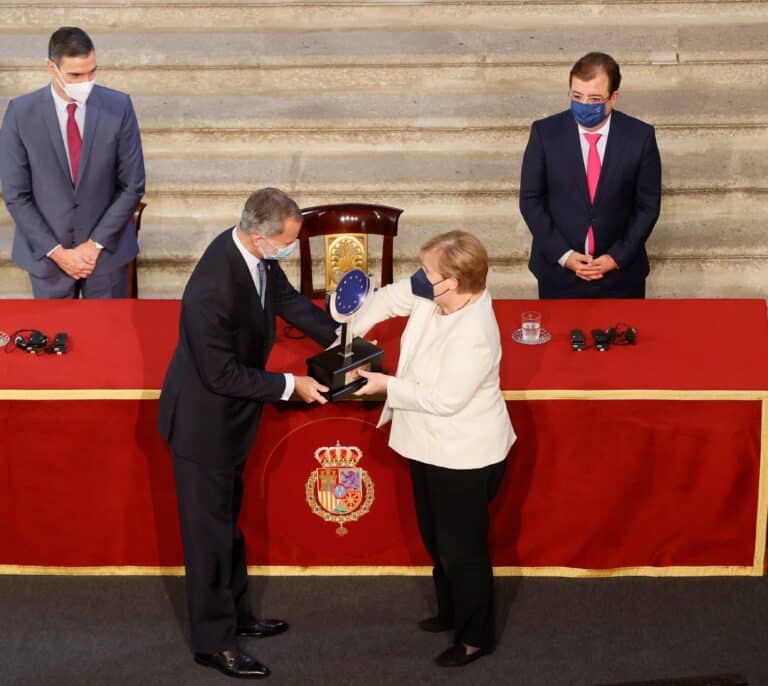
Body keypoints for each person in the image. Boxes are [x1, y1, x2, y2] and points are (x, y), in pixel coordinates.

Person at [158, 188, 337, 679]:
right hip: (202, 427)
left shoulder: (255, 257)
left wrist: (340, 338)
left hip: (230, 422)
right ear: (260, 237)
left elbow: (287, 302)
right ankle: (214, 643)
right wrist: (290, 384)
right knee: (208, 539)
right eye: (286, 243)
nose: (287, 251)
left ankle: (237, 616)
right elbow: (221, 376)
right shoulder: (211, 287)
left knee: (226, 529)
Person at [353, 230, 515, 667]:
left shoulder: (476, 331)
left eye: (428, 272)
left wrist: (384, 384)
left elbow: (444, 399)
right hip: (428, 445)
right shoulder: (437, 294)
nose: (420, 280)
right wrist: (348, 333)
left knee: (463, 550)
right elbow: (388, 298)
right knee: (436, 538)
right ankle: (450, 611)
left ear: (454, 283)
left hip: (464, 455)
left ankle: (475, 635)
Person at [0, 26, 145, 298]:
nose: (86, 81)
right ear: (51, 68)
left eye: (92, 72)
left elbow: (132, 185)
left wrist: (94, 245)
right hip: (48, 259)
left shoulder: (119, 106)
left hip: (104, 256)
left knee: (107, 336)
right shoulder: (21, 114)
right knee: (54, 337)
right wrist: (58, 253)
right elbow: (16, 195)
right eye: (76, 75)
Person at [519, 51, 661, 299]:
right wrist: (564, 255)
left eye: (594, 98)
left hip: (621, 276)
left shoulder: (640, 137)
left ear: (613, 97)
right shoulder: (545, 133)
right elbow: (531, 200)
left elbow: (647, 206)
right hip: (559, 273)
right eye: (577, 96)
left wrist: (617, 257)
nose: (584, 105)